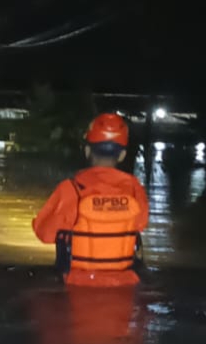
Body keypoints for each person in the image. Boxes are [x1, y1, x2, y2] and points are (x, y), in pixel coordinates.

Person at [32, 112, 149, 287]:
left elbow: (45, 234)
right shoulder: (134, 188)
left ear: (87, 150)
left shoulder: (70, 189)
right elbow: (141, 223)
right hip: (125, 283)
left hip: (77, 284)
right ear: (122, 155)